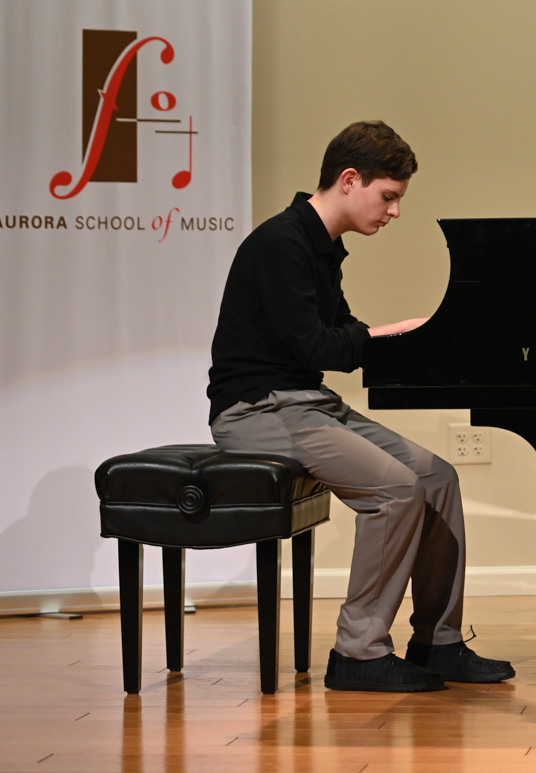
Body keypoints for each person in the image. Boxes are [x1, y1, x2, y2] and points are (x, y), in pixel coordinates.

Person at [206, 120, 513, 692]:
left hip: (305, 403)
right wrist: (386, 333)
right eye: (389, 196)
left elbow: (342, 333)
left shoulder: (320, 246)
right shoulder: (280, 244)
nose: (394, 211)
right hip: (255, 410)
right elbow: (318, 346)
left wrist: (416, 340)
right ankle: (358, 651)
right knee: (396, 489)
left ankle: (439, 641)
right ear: (349, 180)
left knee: (438, 478)